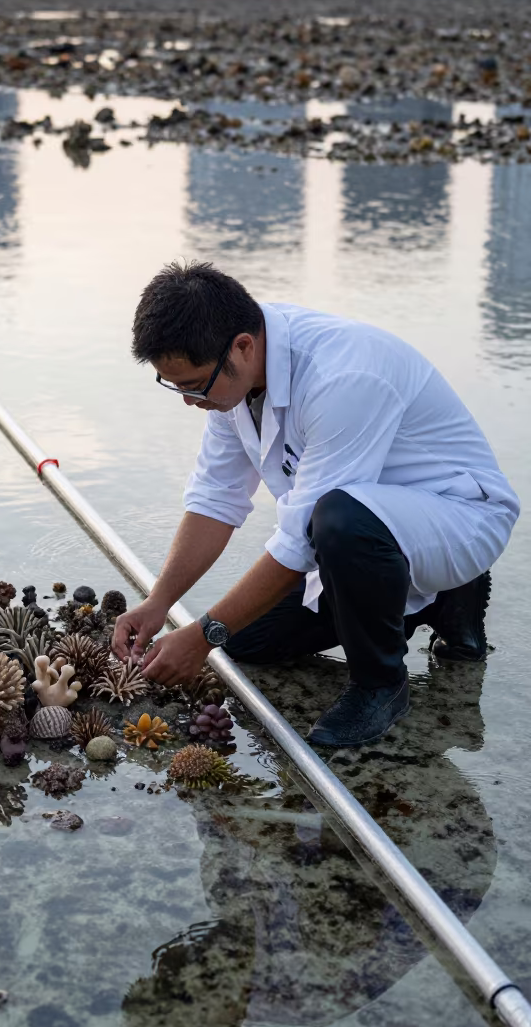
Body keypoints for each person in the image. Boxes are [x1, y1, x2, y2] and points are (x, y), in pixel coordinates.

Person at [112, 262, 519, 748]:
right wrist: (160, 603)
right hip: (369, 529)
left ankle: (381, 685)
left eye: (194, 385)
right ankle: (438, 600)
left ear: (242, 346)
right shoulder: (232, 380)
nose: (188, 400)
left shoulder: (343, 375)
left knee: (337, 520)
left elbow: (301, 538)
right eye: (174, 386)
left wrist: (201, 637)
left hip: (457, 515)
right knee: (245, 642)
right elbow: (214, 501)